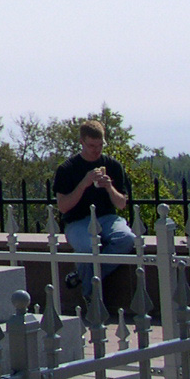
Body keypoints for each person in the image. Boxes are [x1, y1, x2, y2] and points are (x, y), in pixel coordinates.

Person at [52, 118, 135, 301]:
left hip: (108, 218)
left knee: (127, 239)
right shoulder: (67, 169)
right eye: (91, 146)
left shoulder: (113, 166)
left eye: (100, 145)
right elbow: (63, 206)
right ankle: (91, 297)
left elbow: (121, 204)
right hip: (78, 221)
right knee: (87, 248)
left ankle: (84, 277)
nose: (96, 150)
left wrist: (109, 187)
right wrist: (84, 183)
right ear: (81, 142)